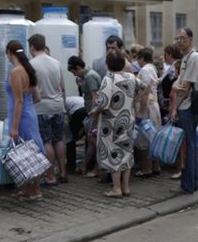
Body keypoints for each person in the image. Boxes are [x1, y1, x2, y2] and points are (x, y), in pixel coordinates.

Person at [89, 50, 146, 198]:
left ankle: (116, 188)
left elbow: (104, 103)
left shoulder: (108, 80)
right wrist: (134, 100)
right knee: (127, 153)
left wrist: (95, 111)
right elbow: (145, 88)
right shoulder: (131, 77)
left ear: (108, 64)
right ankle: (126, 187)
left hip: (111, 123)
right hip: (127, 120)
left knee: (113, 153)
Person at [5, 40, 45, 201]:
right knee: (29, 151)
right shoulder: (28, 70)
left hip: (21, 117)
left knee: (27, 153)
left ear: (9, 53)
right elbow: (37, 97)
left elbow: (18, 100)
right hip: (29, 114)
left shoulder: (16, 72)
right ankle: (29, 189)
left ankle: (35, 191)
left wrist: (14, 127)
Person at [170, 27, 198, 194]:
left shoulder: (193, 57)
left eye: (182, 38)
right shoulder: (186, 57)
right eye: (177, 38)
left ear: (191, 39)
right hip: (186, 106)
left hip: (188, 107)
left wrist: (174, 108)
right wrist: (174, 86)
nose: (179, 41)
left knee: (189, 147)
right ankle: (192, 183)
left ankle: (189, 185)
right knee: (188, 146)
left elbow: (184, 88)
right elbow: (177, 83)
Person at [28, 34, 67, 185]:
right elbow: (62, 87)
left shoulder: (32, 65)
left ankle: (51, 176)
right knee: (58, 139)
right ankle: (63, 172)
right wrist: (63, 108)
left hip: (42, 107)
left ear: (32, 47)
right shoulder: (56, 63)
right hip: (57, 106)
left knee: (46, 142)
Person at [67, 55, 102, 177]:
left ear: (78, 68)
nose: (74, 75)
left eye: (73, 72)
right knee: (91, 141)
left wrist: (92, 115)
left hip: (94, 114)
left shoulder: (90, 76)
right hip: (91, 112)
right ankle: (86, 166)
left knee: (94, 141)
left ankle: (93, 168)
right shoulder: (86, 76)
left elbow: (95, 97)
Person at [134, 48, 162, 177]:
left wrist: (140, 111)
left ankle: (146, 168)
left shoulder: (144, 70)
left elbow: (145, 91)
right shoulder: (153, 69)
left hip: (147, 106)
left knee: (145, 137)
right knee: (154, 135)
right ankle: (156, 165)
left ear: (142, 58)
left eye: (137, 58)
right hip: (154, 104)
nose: (136, 61)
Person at [63, 95, 87, 174]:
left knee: (70, 140)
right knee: (88, 136)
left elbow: (66, 122)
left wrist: (70, 136)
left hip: (77, 111)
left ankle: (70, 165)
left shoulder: (63, 102)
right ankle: (90, 164)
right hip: (87, 108)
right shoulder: (71, 99)